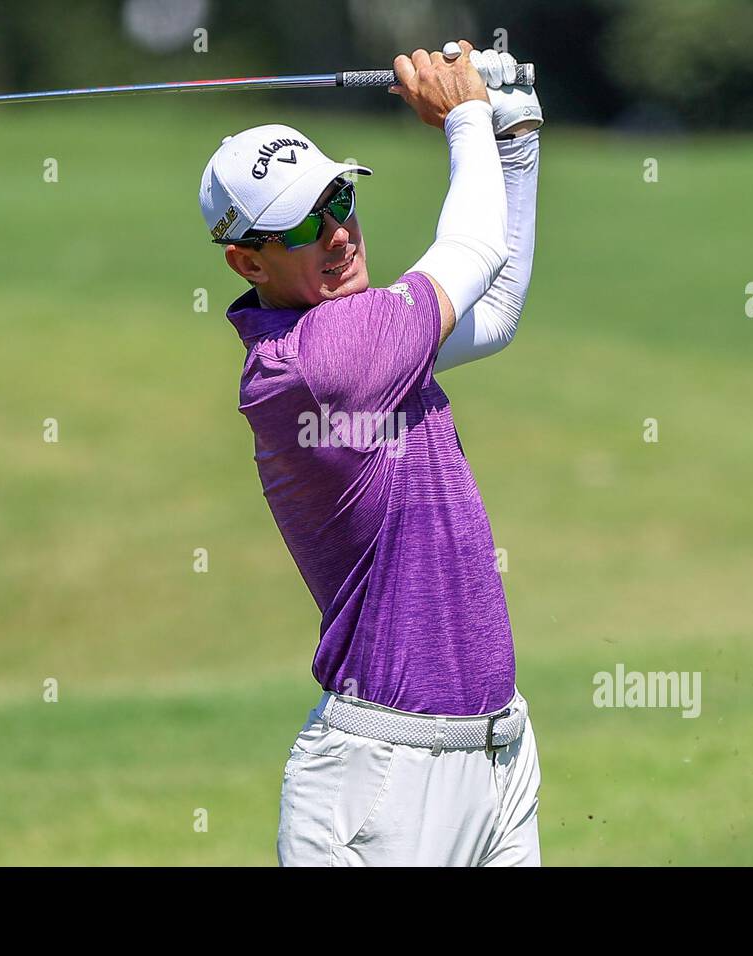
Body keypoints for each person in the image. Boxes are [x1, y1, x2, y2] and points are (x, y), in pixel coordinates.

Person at [198, 40, 542, 866]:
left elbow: (492, 313)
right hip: (382, 783)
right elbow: (469, 256)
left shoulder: (369, 339)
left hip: (495, 749)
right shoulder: (322, 362)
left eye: (340, 198)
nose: (339, 233)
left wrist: (516, 135)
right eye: (303, 225)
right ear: (248, 260)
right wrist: (465, 117)